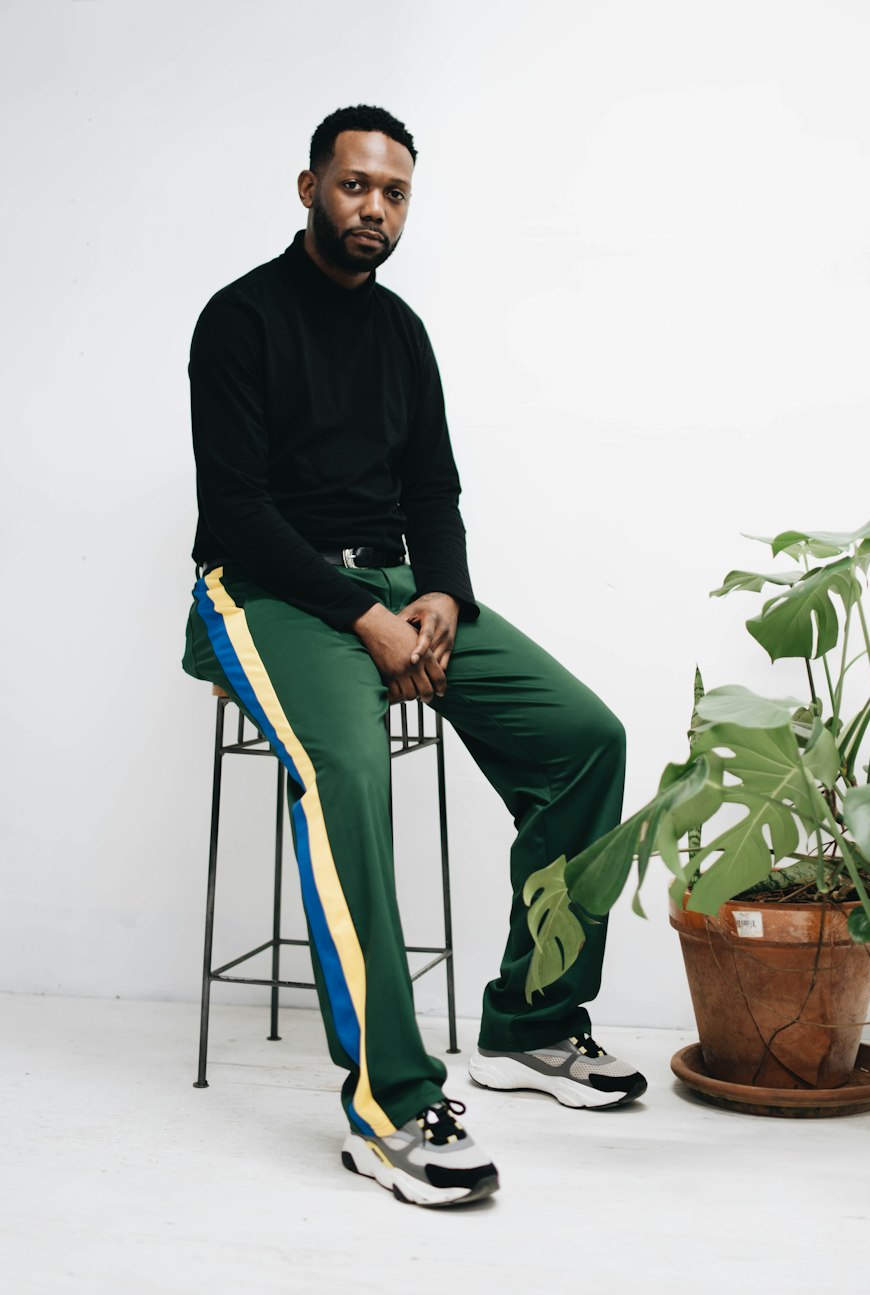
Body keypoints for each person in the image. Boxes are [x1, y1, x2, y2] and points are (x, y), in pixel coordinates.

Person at [182, 104, 645, 1209]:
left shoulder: (402, 332)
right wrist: (362, 615)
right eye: (353, 187)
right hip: (264, 592)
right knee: (349, 769)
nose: (373, 209)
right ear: (309, 191)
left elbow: (433, 487)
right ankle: (392, 1104)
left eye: (392, 193)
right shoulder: (238, 319)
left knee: (586, 738)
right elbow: (237, 511)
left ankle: (530, 1021)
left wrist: (436, 591)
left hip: (393, 587)